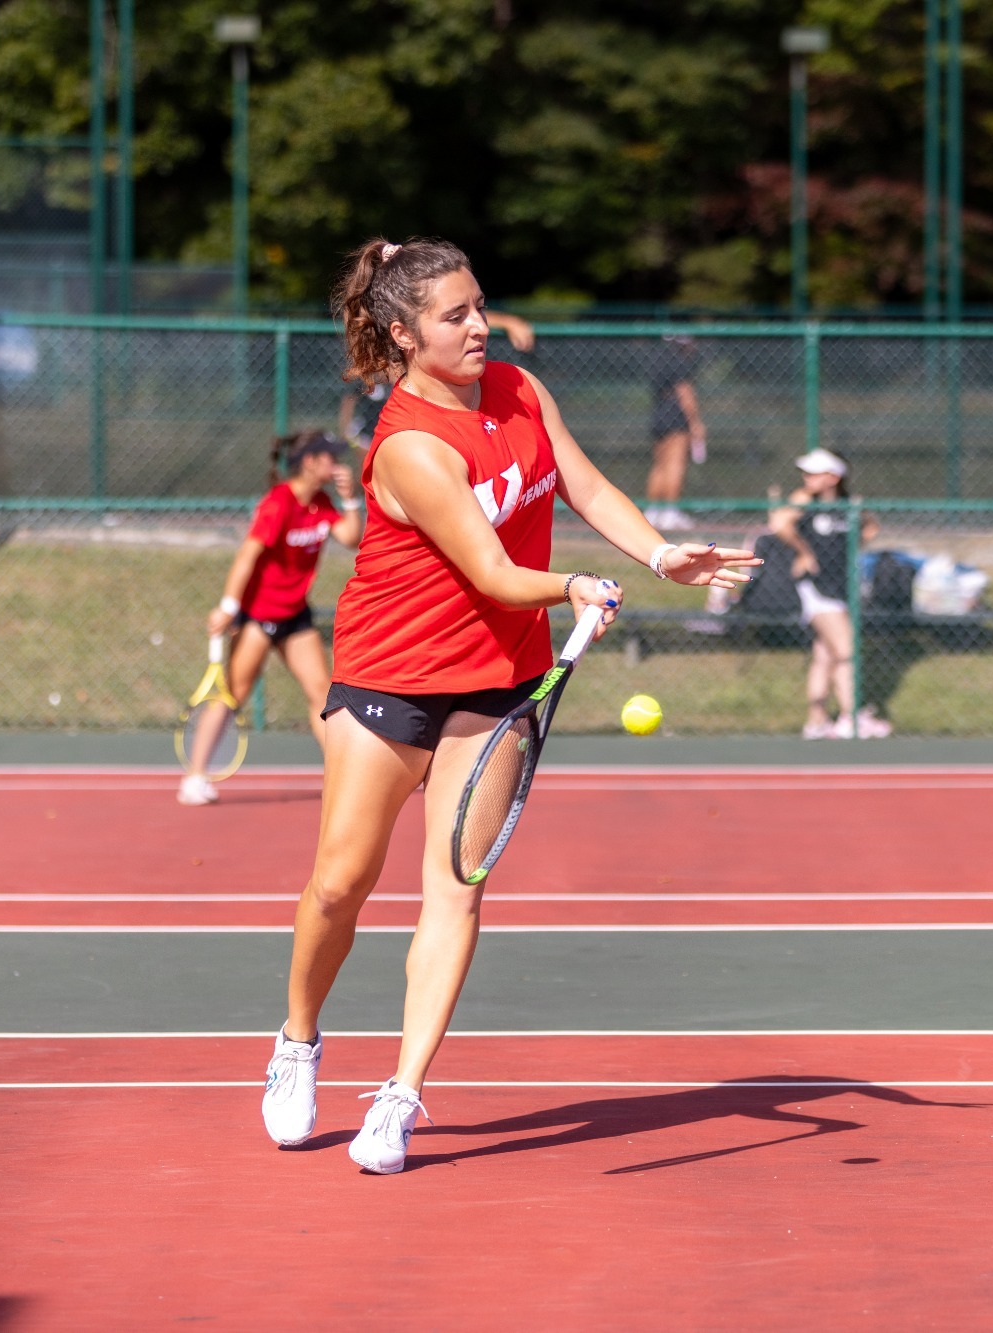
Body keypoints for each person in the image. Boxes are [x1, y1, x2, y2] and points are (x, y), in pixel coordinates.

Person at [261, 236, 758, 1173]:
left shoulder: (522, 391)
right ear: (405, 335)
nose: (481, 326)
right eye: (457, 316)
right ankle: (299, 1039)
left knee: (456, 888)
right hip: (389, 681)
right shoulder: (409, 444)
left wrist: (658, 554)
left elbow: (585, 481)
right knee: (339, 885)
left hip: (497, 685)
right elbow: (490, 569)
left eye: (480, 306)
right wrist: (574, 583)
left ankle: (401, 1095)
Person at [180, 431, 364, 806]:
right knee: (234, 693)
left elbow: (349, 536)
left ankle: (346, 776)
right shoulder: (278, 503)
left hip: (295, 615)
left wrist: (349, 499)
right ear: (310, 461)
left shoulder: (322, 502)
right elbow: (247, 556)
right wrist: (229, 608)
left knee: (322, 694)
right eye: (329, 457)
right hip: (258, 618)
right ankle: (195, 776)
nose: (336, 464)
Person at [770, 448, 891, 740]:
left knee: (824, 655)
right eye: (806, 472)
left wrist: (853, 547)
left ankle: (817, 721)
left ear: (834, 477)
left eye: (815, 473)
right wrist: (804, 552)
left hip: (841, 586)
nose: (807, 477)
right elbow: (778, 525)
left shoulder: (849, 505)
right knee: (846, 651)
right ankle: (852, 717)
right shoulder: (804, 501)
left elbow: (872, 526)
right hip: (817, 586)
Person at [338, 310, 536, 447]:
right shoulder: (377, 380)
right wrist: (348, 435)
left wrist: (508, 322)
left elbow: (451, 314)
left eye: (480, 307)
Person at [643, 333, 708, 531]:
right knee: (675, 464)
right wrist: (696, 423)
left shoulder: (658, 361)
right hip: (675, 417)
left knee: (659, 465)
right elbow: (685, 393)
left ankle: (653, 512)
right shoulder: (680, 363)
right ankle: (671, 513)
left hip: (659, 414)